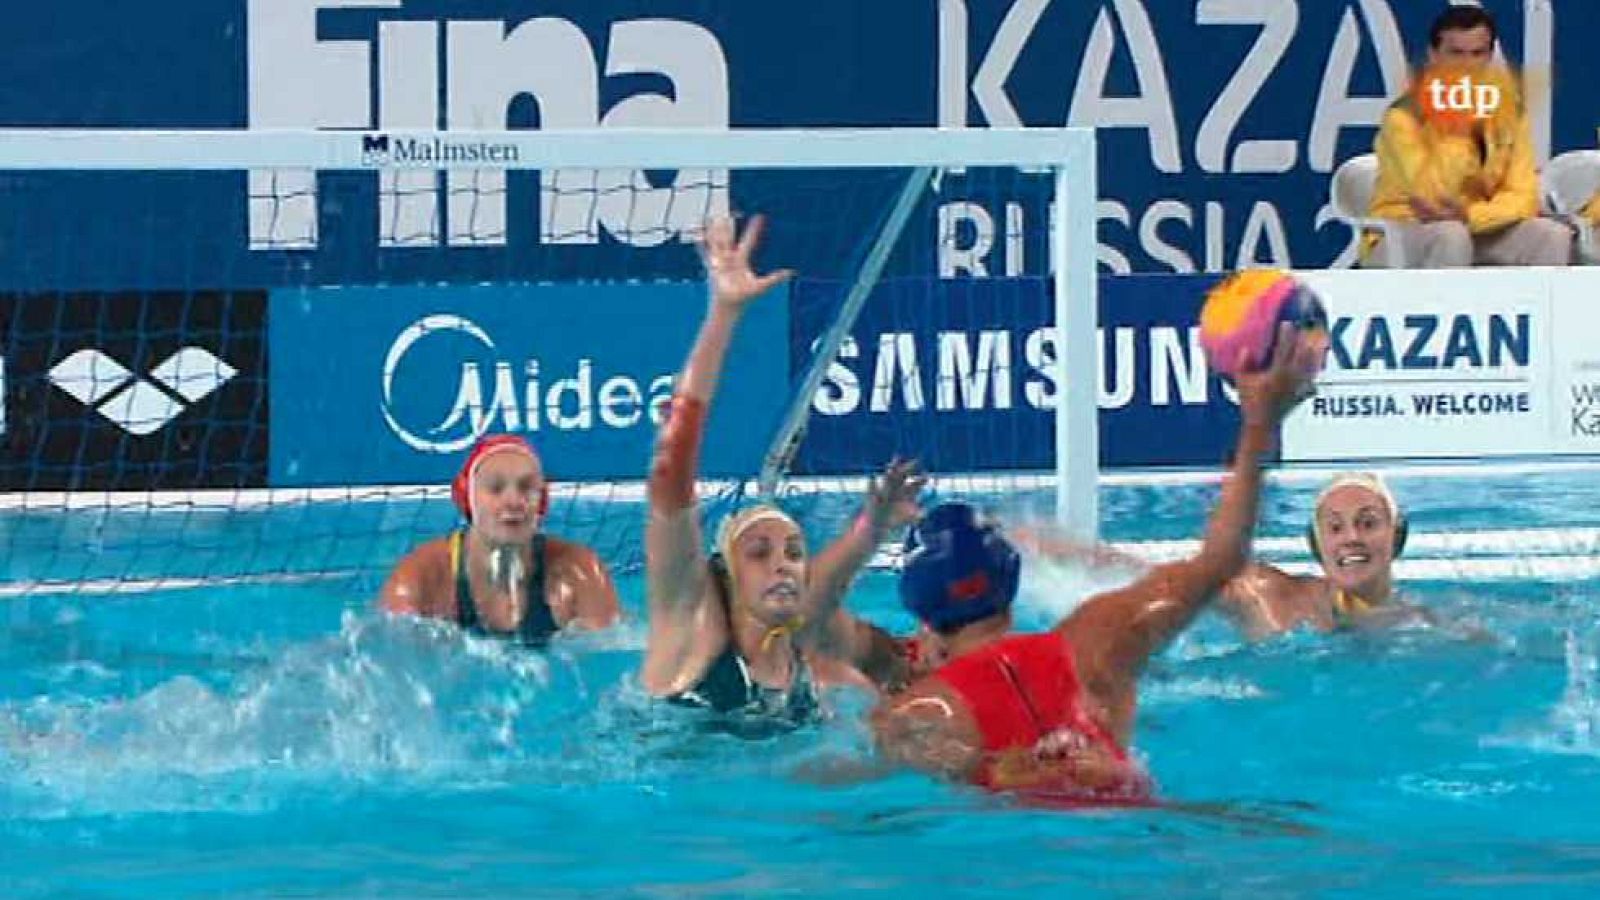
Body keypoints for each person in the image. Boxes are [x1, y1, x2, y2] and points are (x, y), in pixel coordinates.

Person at [869, 322, 1322, 804]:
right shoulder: (1098, 640)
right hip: (1146, 827)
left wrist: (866, 531)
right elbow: (1221, 561)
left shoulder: (912, 717)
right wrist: (1258, 423)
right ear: (1011, 579)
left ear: (922, 615)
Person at [640, 214, 927, 732]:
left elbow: (831, 578)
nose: (783, 567)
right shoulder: (692, 629)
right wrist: (724, 312)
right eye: (759, 554)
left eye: (794, 553)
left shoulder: (816, 674)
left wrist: (873, 528)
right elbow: (668, 478)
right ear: (727, 574)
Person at [1363, 6, 1572, 268]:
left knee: (1551, 235)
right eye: (1456, 53)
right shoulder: (1403, 117)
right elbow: (1432, 197)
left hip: (1475, 224)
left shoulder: (1509, 113)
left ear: (1489, 57)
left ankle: (1540, 298)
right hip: (1403, 230)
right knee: (1452, 235)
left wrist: (1474, 215)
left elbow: (1523, 194)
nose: (1467, 65)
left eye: (1477, 53)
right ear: (1433, 55)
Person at [379, 434, 621, 643]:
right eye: (495, 488)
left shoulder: (579, 573)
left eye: (526, 488)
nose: (514, 502)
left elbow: (608, 657)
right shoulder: (420, 580)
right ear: (467, 499)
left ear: (542, 502)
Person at [1218, 472, 1433, 640]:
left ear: (1397, 536)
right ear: (1317, 544)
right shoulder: (1268, 595)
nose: (1351, 537)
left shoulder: (1421, 626)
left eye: (1368, 524)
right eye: (1335, 527)